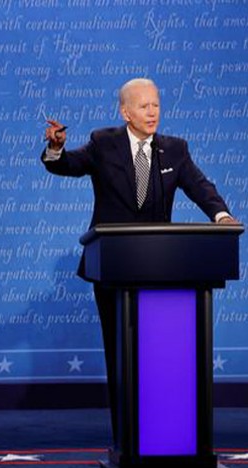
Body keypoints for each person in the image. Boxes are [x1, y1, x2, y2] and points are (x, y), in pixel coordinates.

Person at [41, 77, 237, 446]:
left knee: (161, 359)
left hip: (162, 269)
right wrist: (56, 148)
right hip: (112, 267)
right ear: (125, 112)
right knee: (122, 355)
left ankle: (165, 439)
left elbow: (200, 186)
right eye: (144, 106)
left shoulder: (174, 150)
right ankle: (127, 441)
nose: (152, 112)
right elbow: (67, 165)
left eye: (156, 105)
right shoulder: (104, 143)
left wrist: (221, 215)